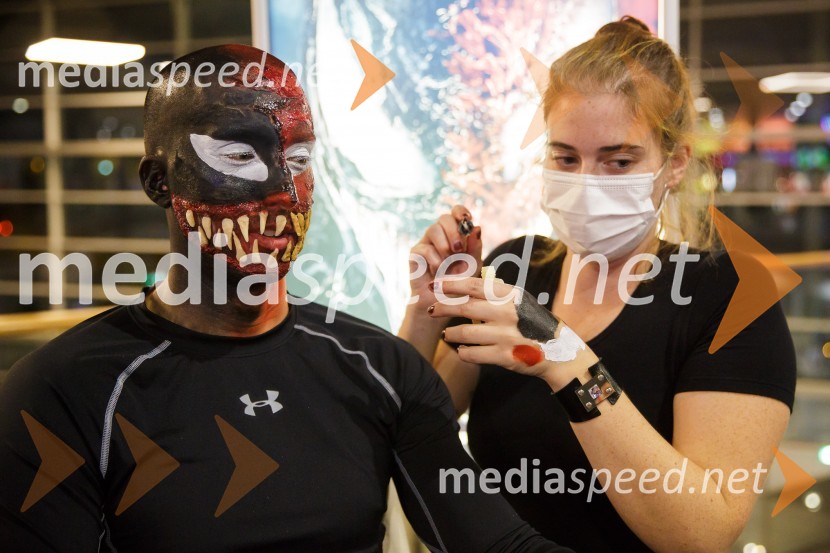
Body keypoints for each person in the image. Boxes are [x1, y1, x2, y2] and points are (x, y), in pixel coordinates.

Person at [0, 45, 576, 553]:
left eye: (299, 160)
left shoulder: (380, 369)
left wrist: (572, 362)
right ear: (160, 183)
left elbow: (498, 542)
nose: (282, 191)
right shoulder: (65, 390)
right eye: (236, 156)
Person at [399, 17, 796, 553]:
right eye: (565, 158)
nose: (586, 182)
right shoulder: (516, 269)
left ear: (674, 164)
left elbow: (702, 532)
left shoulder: (726, 298)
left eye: (618, 161)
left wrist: (563, 357)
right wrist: (429, 308)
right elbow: (409, 424)